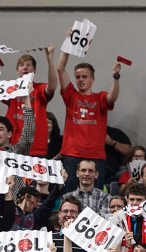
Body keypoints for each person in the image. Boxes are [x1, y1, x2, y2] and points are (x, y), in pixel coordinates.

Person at [57, 53, 120, 190]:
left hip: (95, 156)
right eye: (78, 77)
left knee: (95, 197)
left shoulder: (100, 97)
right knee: (70, 196)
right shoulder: (71, 96)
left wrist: (116, 77)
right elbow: (60, 68)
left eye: (84, 76)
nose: (80, 79)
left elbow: (112, 97)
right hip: (72, 155)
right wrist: (67, 47)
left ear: (92, 79)